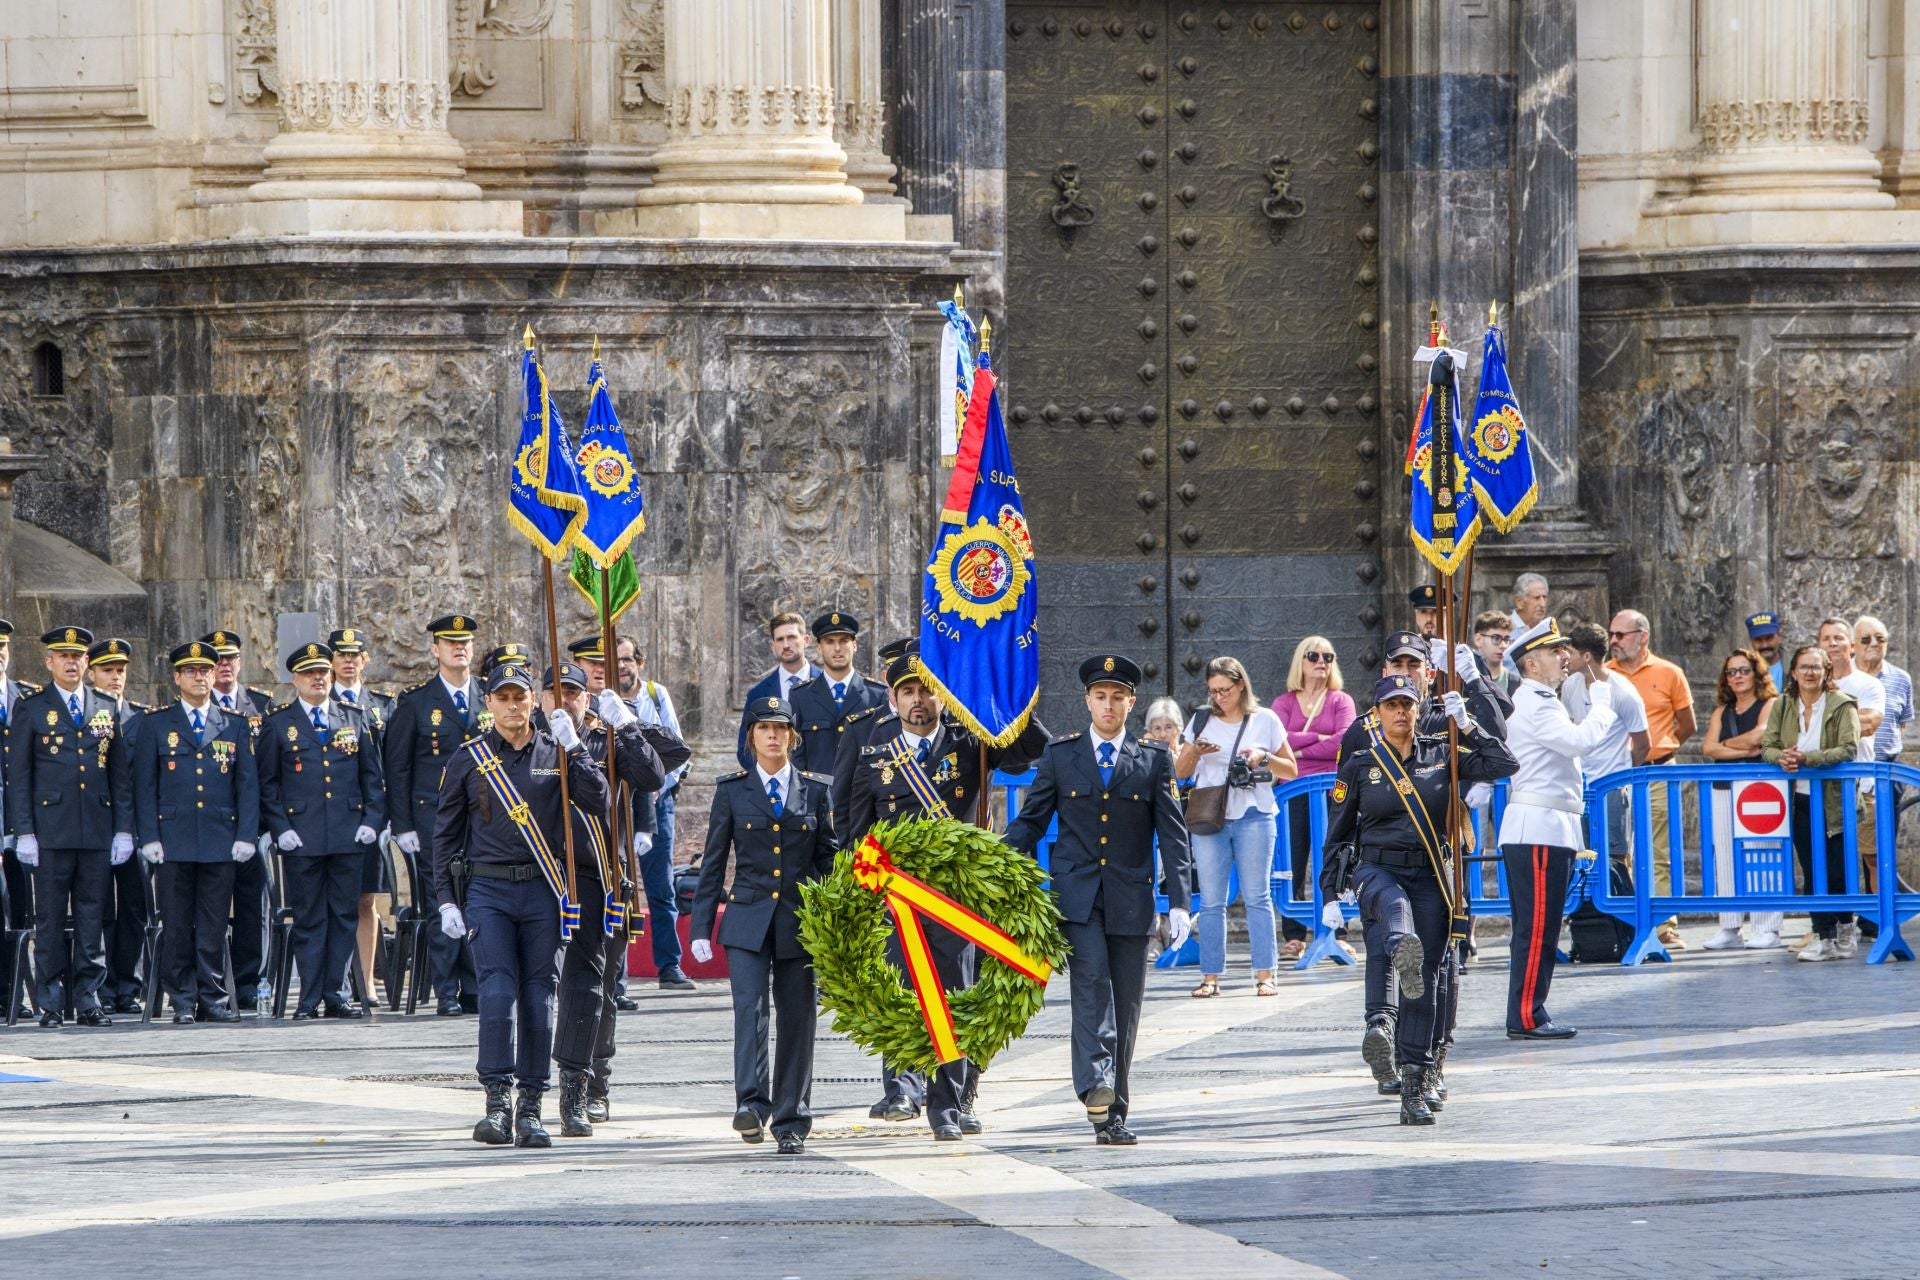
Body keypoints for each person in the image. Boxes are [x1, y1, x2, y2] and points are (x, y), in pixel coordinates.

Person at [846, 653, 1049, 1138]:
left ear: (942, 695)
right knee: (905, 992)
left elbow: (1033, 747)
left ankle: (948, 1105)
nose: (920, 701)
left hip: (957, 898)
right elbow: (851, 824)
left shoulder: (971, 741)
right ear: (892, 700)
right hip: (896, 900)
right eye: (909, 692)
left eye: (927, 690)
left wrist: (999, 691)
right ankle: (903, 1089)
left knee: (955, 997)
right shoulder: (874, 754)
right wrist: (864, 886)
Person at [1006, 655, 1193, 1145]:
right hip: (1078, 897)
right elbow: (1031, 822)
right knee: (1091, 986)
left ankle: (1114, 1113)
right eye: (1100, 696)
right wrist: (996, 862)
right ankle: (1093, 1080)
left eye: (1118, 697)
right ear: (1087, 700)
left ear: (1131, 703)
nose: (1108, 705)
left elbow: (1173, 836)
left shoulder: (1153, 761)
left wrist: (1179, 901)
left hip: (1130, 897)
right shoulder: (1061, 755)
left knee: (1127, 1004)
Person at [1325, 675, 1516, 1123]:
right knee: (1395, 912)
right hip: (1377, 867)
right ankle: (1400, 951)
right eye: (1391, 705)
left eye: (1407, 704)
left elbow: (1503, 763)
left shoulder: (1442, 752)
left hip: (1430, 870)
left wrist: (1467, 723)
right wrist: (1330, 891)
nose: (1400, 712)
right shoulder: (1359, 764)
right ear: (1376, 713)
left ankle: (1414, 1080)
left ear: (1417, 708)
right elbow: (1338, 832)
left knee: (1426, 979)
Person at [432, 663, 609, 1147]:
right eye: (503, 696)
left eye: (521, 696)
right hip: (488, 890)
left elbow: (599, 801)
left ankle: (531, 1106)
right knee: (496, 991)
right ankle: (496, 1103)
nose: (513, 705)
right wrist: (447, 900)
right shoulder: (469, 759)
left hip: (543, 889)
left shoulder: (556, 751)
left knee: (538, 995)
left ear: (535, 701)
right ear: (488, 703)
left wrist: (576, 747)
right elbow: (445, 837)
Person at [692, 696, 836, 1154]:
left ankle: (792, 1118)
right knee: (750, 1012)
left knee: (798, 1021)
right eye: (763, 728)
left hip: (800, 921)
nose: (772, 735)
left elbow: (829, 859)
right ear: (751, 737)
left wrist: (844, 909)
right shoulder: (733, 790)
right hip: (747, 920)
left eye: (780, 728)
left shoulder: (815, 790)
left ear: (792, 737)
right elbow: (714, 863)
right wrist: (699, 928)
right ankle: (751, 1104)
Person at [547, 662, 674, 1135]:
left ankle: (594, 1086)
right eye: (556, 692)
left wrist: (630, 724)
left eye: (575, 692)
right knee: (548, 989)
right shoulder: (536, 743)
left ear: (589, 696)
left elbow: (660, 770)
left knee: (601, 987)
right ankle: (544, 1086)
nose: (566, 701)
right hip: (551, 878)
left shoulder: (607, 741)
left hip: (602, 879)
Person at [5, 626, 136, 1026]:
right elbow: (20, 776)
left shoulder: (104, 706)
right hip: (50, 831)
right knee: (48, 919)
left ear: (86, 662)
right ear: (49, 662)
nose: (71, 663)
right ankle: (50, 999)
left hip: (96, 828)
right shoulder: (31, 707)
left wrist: (123, 829)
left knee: (92, 917)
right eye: (63, 656)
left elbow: (119, 777)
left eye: (78, 657)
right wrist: (23, 831)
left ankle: (88, 997)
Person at [1500, 619, 1621, 1041]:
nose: (1564, 656)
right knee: (1536, 927)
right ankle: (1527, 1015)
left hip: (1548, 827)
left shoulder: (1539, 698)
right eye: (1554, 652)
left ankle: (1530, 1010)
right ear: (1532, 663)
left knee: (1543, 924)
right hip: (1538, 828)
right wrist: (1602, 702)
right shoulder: (1537, 702)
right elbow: (1581, 742)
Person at [131, 640, 261, 1024]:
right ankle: (182, 998)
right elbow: (145, 787)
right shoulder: (156, 723)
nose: (200, 676)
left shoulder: (233, 723)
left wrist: (246, 836)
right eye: (191, 671)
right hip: (174, 839)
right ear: (177, 677)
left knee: (213, 923)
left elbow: (247, 786)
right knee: (176, 923)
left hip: (221, 838)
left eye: (205, 670)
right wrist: (149, 836)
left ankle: (212, 996)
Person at [257, 642, 385, 1019]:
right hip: (303, 836)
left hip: (347, 834)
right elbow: (267, 784)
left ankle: (338, 993)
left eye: (323, 672)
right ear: (295, 679)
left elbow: (373, 780)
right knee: (311, 918)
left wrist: (370, 823)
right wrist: (281, 828)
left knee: (345, 915)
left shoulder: (353, 717)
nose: (318, 679)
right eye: (310, 673)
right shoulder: (279, 723)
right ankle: (309, 997)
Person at [1173, 656, 1296, 997]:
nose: (1219, 697)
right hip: (1210, 816)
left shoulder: (1265, 719)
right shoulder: (1200, 719)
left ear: (1241, 684)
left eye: (1225, 690)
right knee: (1211, 900)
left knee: (1257, 896)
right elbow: (1180, 772)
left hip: (1255, 813)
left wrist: (1262, 756)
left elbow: (1291, 769)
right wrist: (1196, 752)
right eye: (1213, 691)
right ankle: (1210, 977)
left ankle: (1265, 974)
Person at [384, 613, 484, 1015]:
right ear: (435, 649)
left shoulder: (490, 695)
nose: (459, 648)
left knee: (479, 898)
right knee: (441, 899)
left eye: (465, 642)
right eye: (450, 642)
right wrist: (403, 823)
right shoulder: (416, 702)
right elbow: (399, 768)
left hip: (483, 818)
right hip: (433, 820)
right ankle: (445, 988)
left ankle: (476, 985)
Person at [1761, 646, 1861, 963]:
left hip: (1835, 800)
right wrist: (1783, 759)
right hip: (1799, 799)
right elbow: (1768, 745)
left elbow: (1848, 748)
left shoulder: (1843, 705)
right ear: (1793, 672)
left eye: (1816, 667)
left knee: (1837, 870)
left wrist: (1809, 759)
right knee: (1811, 871)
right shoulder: (1783, 704)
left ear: (1826, 672)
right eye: (1804, 667)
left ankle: (1846, 928)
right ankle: (1823, 936)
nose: (1810, 673)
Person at [1607, 610, 1694, 949]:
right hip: (1617, 773)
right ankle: (1626, 923)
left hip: (1658, 769)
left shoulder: (1669, 673)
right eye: (1612, 635)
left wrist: (1662, 746)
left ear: (1642, 636)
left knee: (1660, 847)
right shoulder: (1604, 675)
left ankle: (1664, 924)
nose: (1614, 641)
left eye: (1620, 635)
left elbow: (1687, 724)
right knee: (1618, 849)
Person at [617, 635, 696, 997]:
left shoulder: (655, 695)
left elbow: (678, 750)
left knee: (661, 886)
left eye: (627, 659)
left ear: (640, 662)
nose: (622, 666)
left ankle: (669, 965)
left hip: (655, 801)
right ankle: (613, 970)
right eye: (615, 660)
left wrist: (655, 789)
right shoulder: (601, 700)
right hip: (615, 804)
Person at [200, 628, 273, 1008]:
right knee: (208, 908)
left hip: (251, 825)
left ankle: (248, 983)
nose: (224, 665)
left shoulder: (262, 705)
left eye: (230, 658)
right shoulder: (190, 704)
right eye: (217, 659)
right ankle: (209, 985)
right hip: (207, 825)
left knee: (252, 907)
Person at [1270, 637, 1355, 959]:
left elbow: (1343, 740)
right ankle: (1294, 934)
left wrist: (1301, 749)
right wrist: (1318, 738)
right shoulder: (1284, 702)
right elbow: (1277, 738)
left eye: (1328, 656)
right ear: (1300, 662)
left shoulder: (1340, 700)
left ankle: (1338, 928)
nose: (1322, 661)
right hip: (1292, 791)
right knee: (1291, 859)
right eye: (1314, 655)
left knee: (1336, 857)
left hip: (1335, 789)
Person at [328, 626, 395, 1000]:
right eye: (342, 655)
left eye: (355, 654)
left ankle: (367, 980)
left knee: (366, 899)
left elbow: (392, 766)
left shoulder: (383, 706)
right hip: (334, 817)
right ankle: (336, 980)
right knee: (336, 901)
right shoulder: (320, 702)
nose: (349, 661)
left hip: (370, 818)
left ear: (365, 660)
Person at [1560, 621, 1649, 902]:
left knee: (1616, 856)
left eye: (1570, 651)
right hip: (1580, 785)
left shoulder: (1623, 692)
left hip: (1612, 785)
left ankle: (1623, 919)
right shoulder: (1571, 685)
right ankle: (1590, 923)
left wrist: (1622, 776)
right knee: (1582, 856)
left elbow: (1643, 743)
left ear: (1586, 656)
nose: (1565, 657)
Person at [1700, 649, 1782, 950]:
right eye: (1731, 672)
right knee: (1725, 854)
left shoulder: (1770, 704)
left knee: (1763, 852)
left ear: (1756, 673)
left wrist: (1726, 745)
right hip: (1724, 786)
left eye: (1743, 670)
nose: (1737, 677)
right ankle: (1730, 926)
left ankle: (1768, 927)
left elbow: (1759, 737)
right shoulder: (1722, 711)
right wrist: (1739, 751)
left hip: (1760, 788)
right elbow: (1709, 748)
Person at [88, 638, 154, 1015]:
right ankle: (100, 986)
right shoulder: (84, 715)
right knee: (97, 910)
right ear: (92, 672)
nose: (115, 678)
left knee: (133, 910)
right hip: (94, 827)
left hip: (132, 831)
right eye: (107, 670)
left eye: (120, 671)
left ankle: (127, 985)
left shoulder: (140, 718)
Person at [0, 618, 42, 1017]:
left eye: (2, 648)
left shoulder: (27, 700)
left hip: (22, 824)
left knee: (23, 912)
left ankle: (15, 994)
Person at [790, 610, 889, 777]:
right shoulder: (801, 696)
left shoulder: (876, 695)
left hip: (861, 797)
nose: (837, 648)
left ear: (855, 645)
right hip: (817, 797)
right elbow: (795, 754)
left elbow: (882, 752)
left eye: (844, 641)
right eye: (829, 642)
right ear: (819, 648)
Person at [1854, 614, 1913, 849]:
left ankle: (1877, 889)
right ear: (1854, 644)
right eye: (1866, 639)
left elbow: (1901, 723)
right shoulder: (1842, 677)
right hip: (1850, 770)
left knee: (1881, 849)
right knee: (1840, 848)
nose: (1874, 644)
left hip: (1886, 770)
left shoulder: (1901, 678)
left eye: (1880, 638)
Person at [737, 611, 820, 769]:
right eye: (780, 639)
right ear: (773, 646)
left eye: (791, 637)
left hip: (822, 787)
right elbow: (745, 750)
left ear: (806, 640)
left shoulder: (827, 686)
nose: (786, 645)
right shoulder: (758, 694)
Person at [1472, 611, 1520, 697]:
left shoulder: (1516, 683)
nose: (1503, 645)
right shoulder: (1464, 680)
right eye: (1496, 638)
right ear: (1478, 640)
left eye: (1506, 639)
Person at [1746, 613, 1785, 694]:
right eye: (1758, 640)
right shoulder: (1743, 671)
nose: (1765, 645)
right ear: (1751, 641)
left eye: (1769, 638)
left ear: (1780, 637)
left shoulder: (1796, 665)